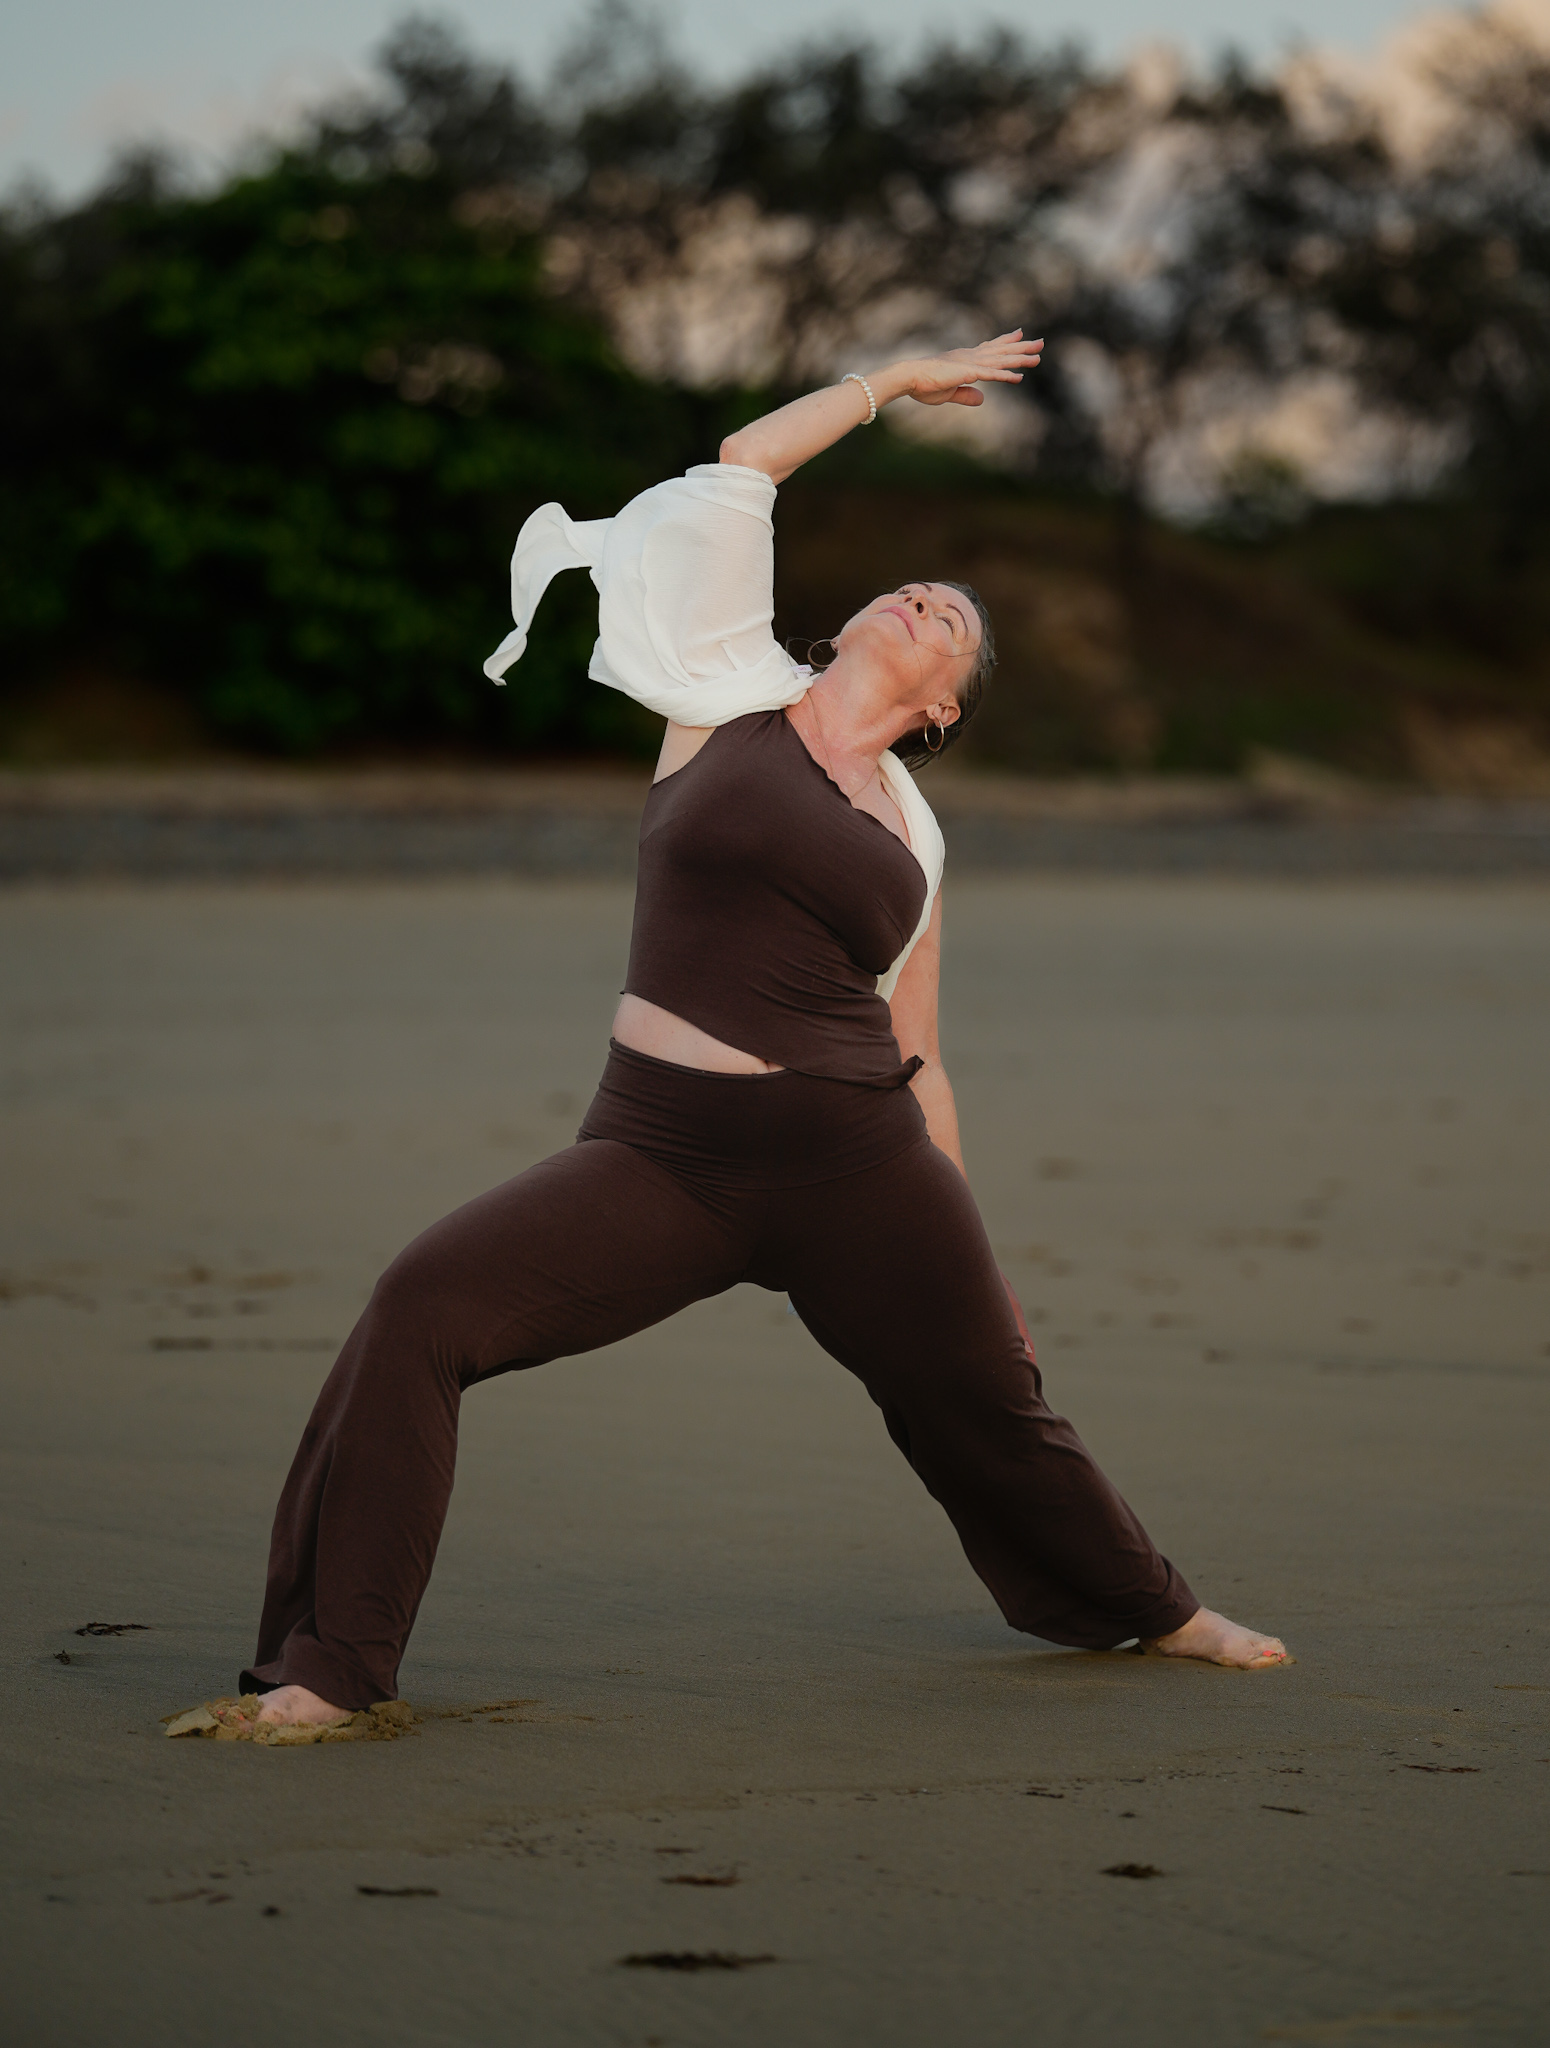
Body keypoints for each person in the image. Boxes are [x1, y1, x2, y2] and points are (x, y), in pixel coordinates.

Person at [244, 331, 1288, 1728]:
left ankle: (1151, 1609)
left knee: (987, 1404)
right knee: (420, 1308)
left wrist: (968, 1243)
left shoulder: (915, 837)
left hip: (859, 1162)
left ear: (945, 706)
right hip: (662, 1155)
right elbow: (744, 467)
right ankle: (332, 1669)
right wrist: (896, 381)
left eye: (954, 623)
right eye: (918, 588)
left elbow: (918, 1048)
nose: (927, 599)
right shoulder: (720, 693)